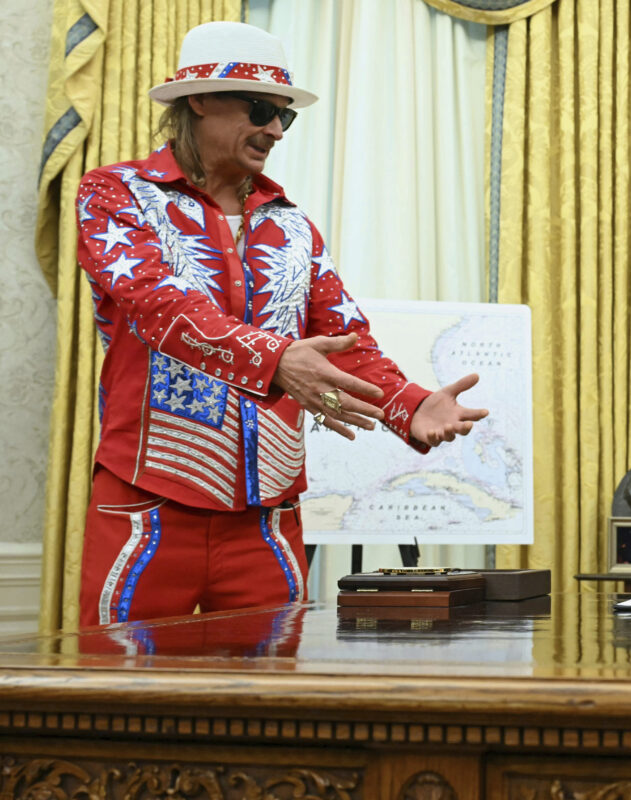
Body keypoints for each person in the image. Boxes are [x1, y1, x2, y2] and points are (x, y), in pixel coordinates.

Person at [75, 22, 488, 626]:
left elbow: (345, 340)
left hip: (268, 518)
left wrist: (410, 403)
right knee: (119, 678)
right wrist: (277, 361)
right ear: (199, 99)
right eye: (261, 109)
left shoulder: (293, 225)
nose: (276, 130)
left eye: (284, 116)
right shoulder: (116, 193)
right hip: (149, 505)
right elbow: (161, 308)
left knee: (269, 682)